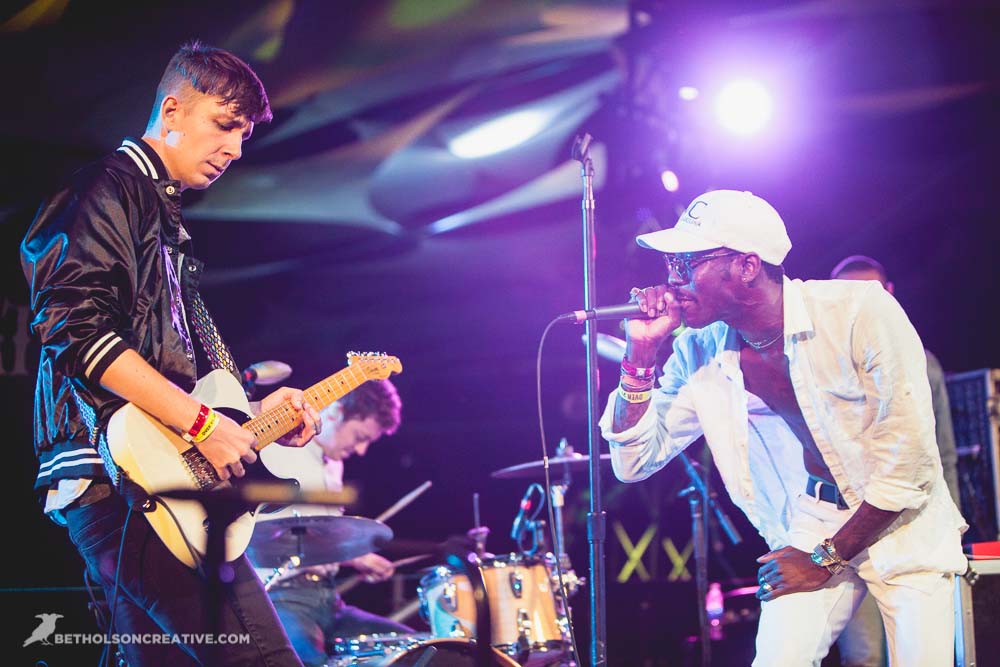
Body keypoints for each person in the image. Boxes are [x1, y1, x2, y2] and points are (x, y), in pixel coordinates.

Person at [20, 41, 321, 666]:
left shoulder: (161, 217)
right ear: (174, 110)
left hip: (142, 476)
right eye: (224, 124)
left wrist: (254, 415)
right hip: (121, 479)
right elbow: (76, 329)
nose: (236, 149)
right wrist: (203, 424)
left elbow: (183, 374)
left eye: (243, 134)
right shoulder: (107, 188)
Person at [600, 190, 967, 666]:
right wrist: (641, 356)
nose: (672, 282)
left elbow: (909, 468)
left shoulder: (860, 313)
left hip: (901, 520)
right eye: (670, 265)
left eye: (686, 264)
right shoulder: (699, 349)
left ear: (747, 266)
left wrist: (823, 560)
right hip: (818, 517)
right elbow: (632, 463)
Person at [830, 254, 962, 667]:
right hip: (848, 535)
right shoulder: (819, 368)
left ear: (890, 295)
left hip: (912, 533)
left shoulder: (925, 363)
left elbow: (942, 456)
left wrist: (952, 532)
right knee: (863, 655)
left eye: (872, 293)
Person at [254, 379, 413, 667]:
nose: (362, 450)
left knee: (420, 650)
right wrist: (356, 555)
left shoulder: (334, 463)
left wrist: (356, 558)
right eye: (360, 436)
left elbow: (321, 534)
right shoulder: (280, 447)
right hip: (284, 596)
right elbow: (281, 534)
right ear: (336, 412)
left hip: (328, 599)